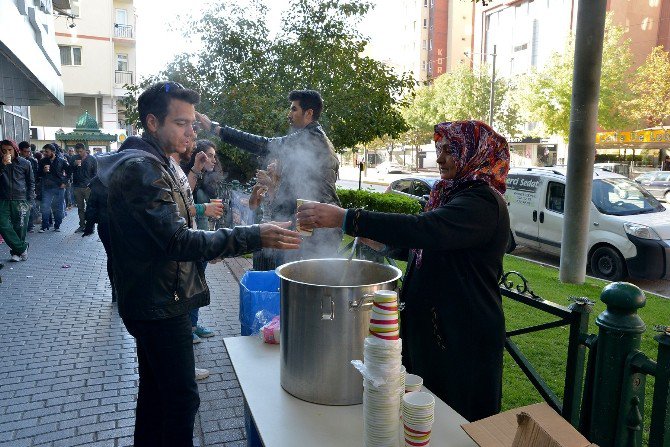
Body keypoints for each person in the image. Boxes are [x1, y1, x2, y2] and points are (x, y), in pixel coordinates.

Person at [98, 81, 301, 446]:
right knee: (180, 400)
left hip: (155, 298)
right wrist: (254, 235)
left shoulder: (157, 163)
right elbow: (177, 240)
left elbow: (178, 225)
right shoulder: (144, 170)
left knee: (156, 398)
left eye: (192, 122)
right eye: (181, 122)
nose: (192, 130)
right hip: (160, 305)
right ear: (152, 123)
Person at [297, 120, 511, 422]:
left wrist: (348, 219)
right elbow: (429, 246)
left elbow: (428, 230)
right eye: (438, 150)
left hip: (463, 337)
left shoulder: (482, 202)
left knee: (458, 420)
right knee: (425, 414)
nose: (439, 159)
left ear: (474, 152)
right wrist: (386, 245)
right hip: (438, 331)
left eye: (449, 151)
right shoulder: (451, 194)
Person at [197, 89, 341, 267]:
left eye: (294, 109)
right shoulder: (314, 138)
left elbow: (264, 144)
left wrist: (216, 129)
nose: (289, 115)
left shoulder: (312, 137)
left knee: (308, 285)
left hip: (318, 231)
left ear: (309, 113)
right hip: (313, 227)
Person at [0, 140, 35, 261]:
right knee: (2, 224)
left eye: (9, 150)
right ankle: (22, 247)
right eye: (4, 150)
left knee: (20, 226)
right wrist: (3, 165)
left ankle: (16, 253)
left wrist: (30, 200)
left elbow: (31, 183)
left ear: (15, 149)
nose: (7, 152)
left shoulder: (25, 163)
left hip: (21, 199)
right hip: (3, 199)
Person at [37, 143, 69, 232]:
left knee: (58, 207)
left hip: (59, 187)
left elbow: (69, 172)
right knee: (45, 206)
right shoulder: (43, 161)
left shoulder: (61, 161)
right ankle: (44, 226)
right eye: (44, 152)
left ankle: (57, 225)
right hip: (47, 187)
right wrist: (43, 171)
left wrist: (65, 182)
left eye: (47, 151)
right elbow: (38, 174)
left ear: (53, 151)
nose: (45, 153)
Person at [70, 143, 97, 233]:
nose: (79, 153)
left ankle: (90, 226)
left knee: (90, 207)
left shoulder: (92, 159)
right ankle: (82, 225)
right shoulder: (74, 158)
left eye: (80, 151)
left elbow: (95, 173)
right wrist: (74, 164)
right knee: (80, 208)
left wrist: (92, 185)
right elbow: (69, 171)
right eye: (77, 152)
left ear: (85, 150)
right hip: (77, 186)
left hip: (88, 187)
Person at [18, 141, 39, 233]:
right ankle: (22, 225)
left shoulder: (32, 161)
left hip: (29, 188)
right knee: (20, 209)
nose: (28, 153)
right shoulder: (14, 161)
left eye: (29, 151)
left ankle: (30, 225)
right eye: (26, 151)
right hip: (18, 189)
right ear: (20, 151)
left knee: (30, 206)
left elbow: (35, 176)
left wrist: (34, 189)